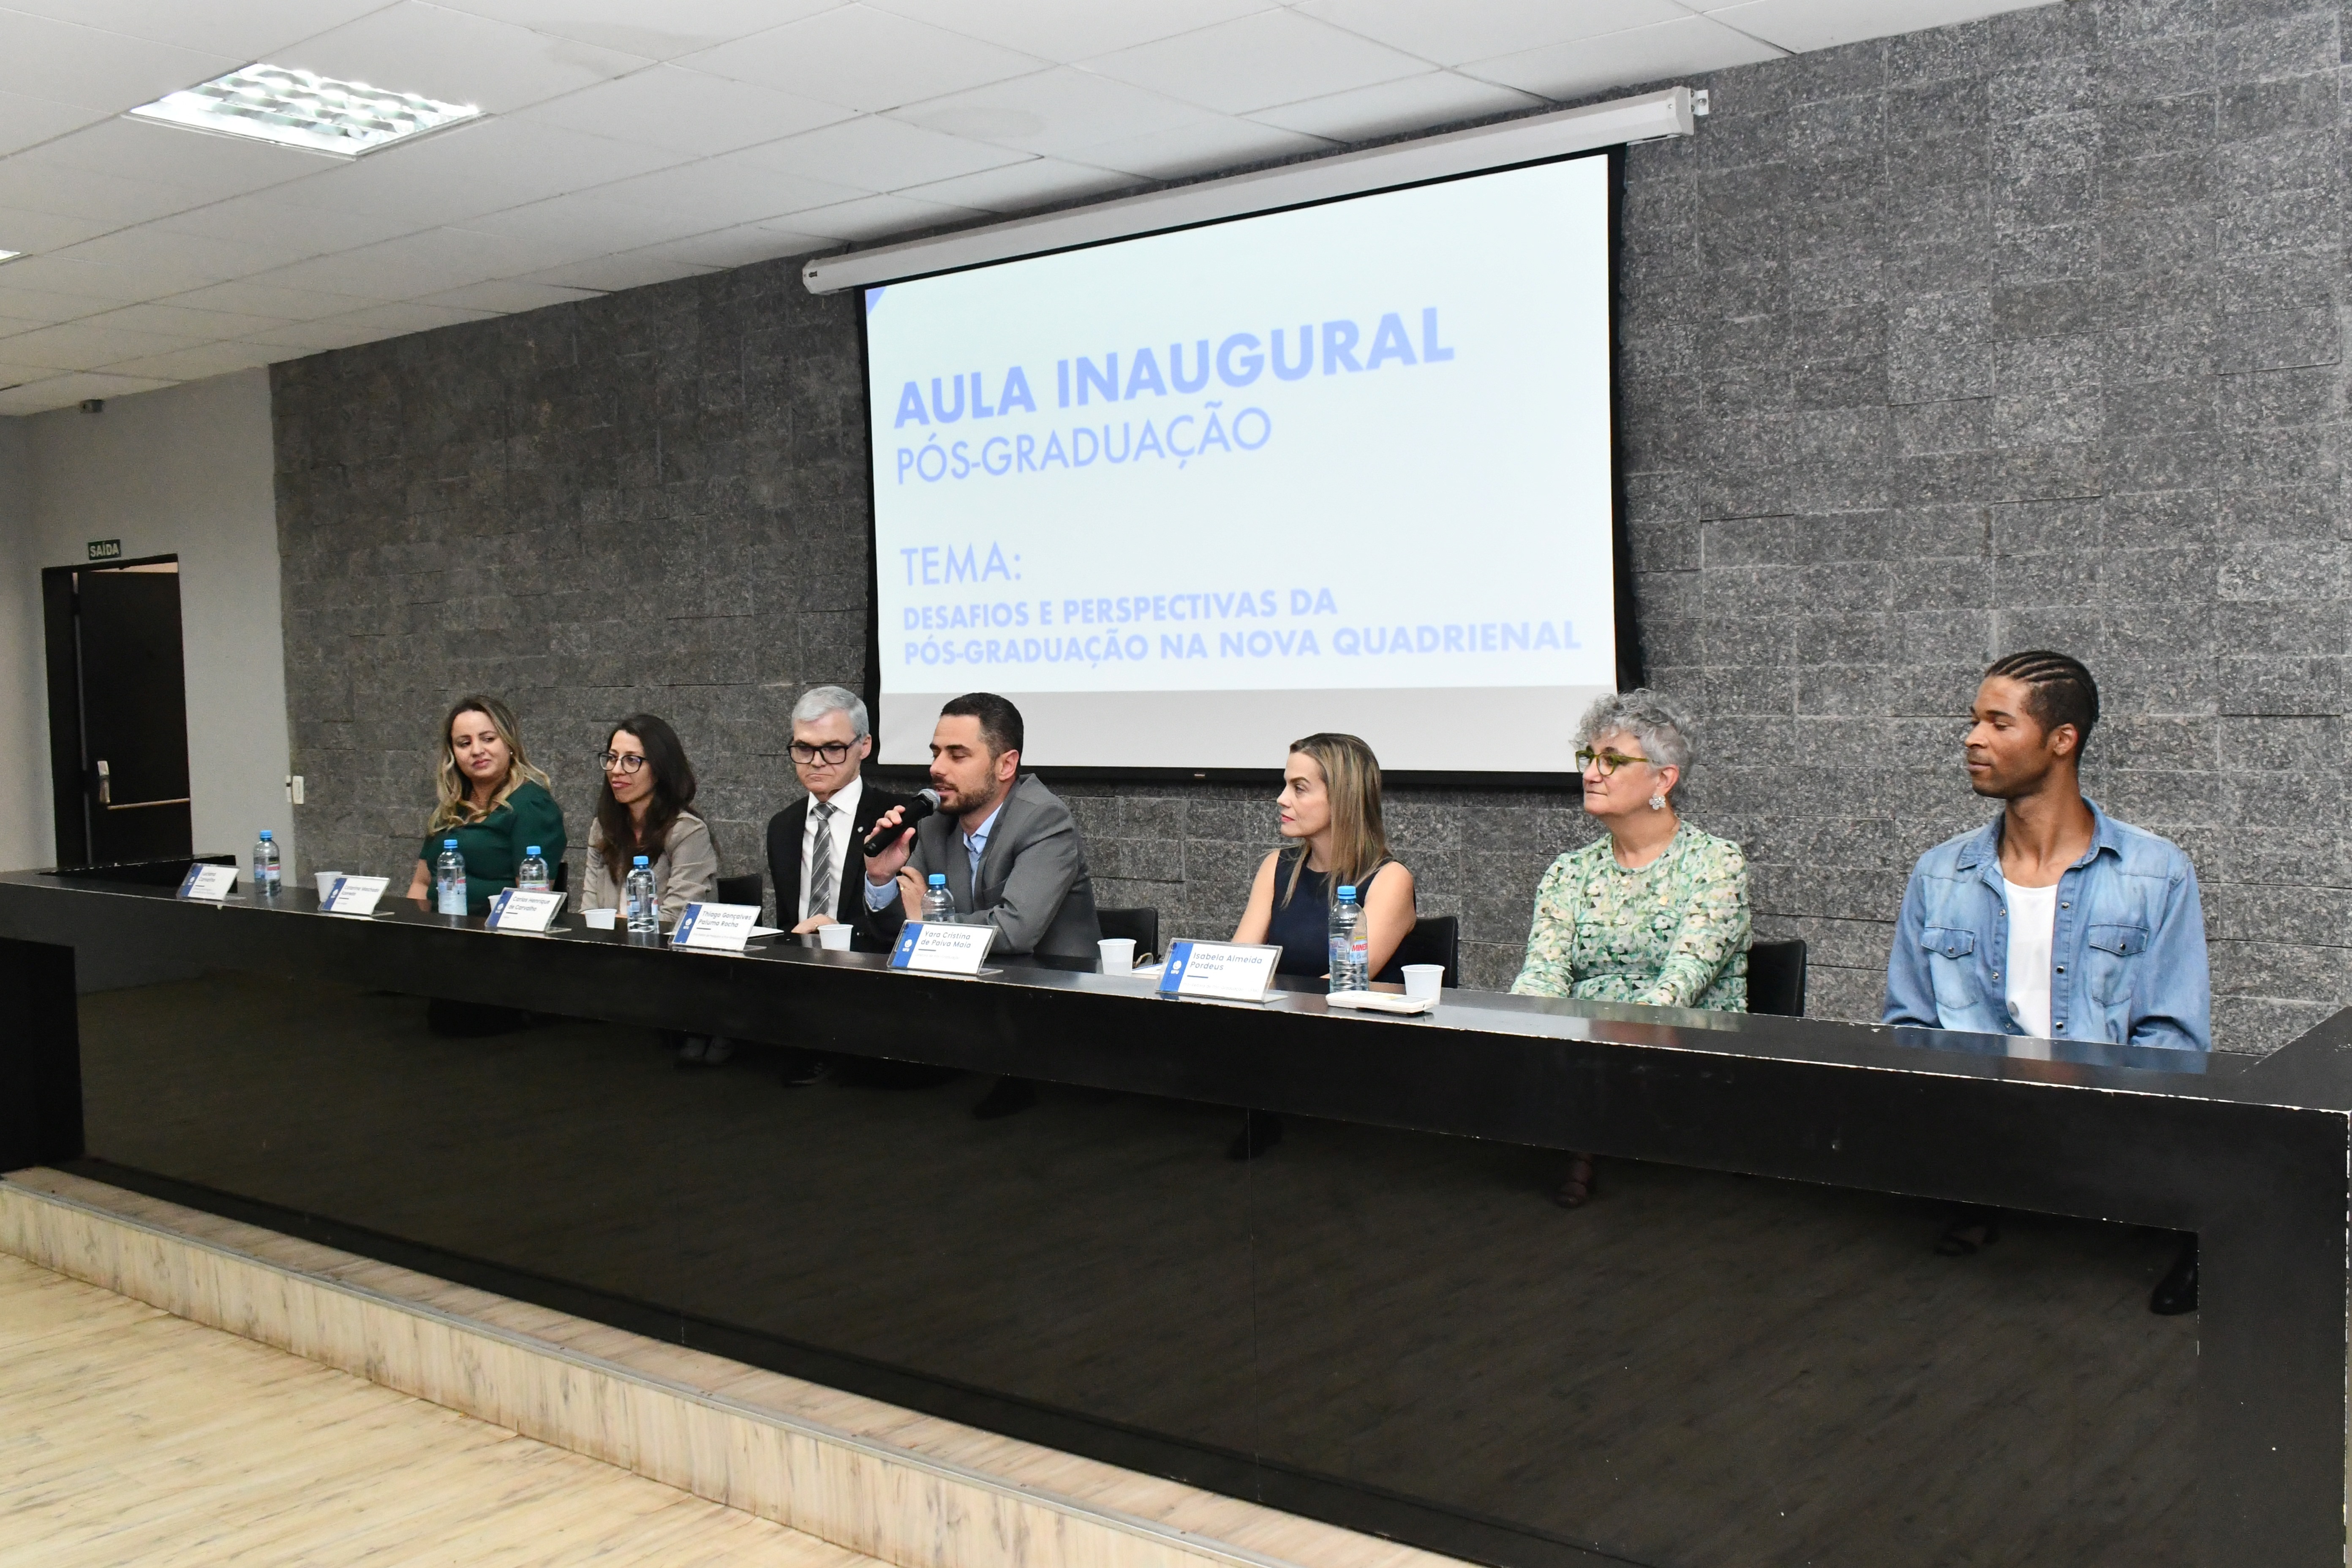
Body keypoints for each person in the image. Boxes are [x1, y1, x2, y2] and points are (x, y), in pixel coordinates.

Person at [1883, 650, 2210, 1313]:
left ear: (2063, 741)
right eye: (1973, 722)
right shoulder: (1940, 874)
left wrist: (2085, 1102)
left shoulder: (2153, 872)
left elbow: (2172, 1039)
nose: (1973, 739)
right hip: (1978, 1132)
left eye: (1999, 724)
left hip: (2104, 1136)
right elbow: (1908, 1026)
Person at [1511, 689, 1750, 1207]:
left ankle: (1584, 1151)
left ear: (1664, 780)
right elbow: (1544, 972)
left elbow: (1684, 978)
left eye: (1612, 760)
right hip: (1580, 1052)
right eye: (1590, 759)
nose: (1592, 773)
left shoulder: (1717, 863)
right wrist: (1517, 1024)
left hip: (1681, 1043)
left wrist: (1602, 1032)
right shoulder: (1569, 871)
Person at [862, 692, 1101, 1117]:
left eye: (958, 755)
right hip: (970, 1014)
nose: (936, 768)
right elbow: (900, 933)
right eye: (935, 753)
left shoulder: (1045, 819)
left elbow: (1016, 929)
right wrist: (881, 879)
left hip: (1050, 1024)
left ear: (1005, 765)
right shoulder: (935, 825)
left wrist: (927, 924)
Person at [1224, 732, 1417, 1160]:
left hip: (1350, 1057)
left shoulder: (1389, 879)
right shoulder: (1278, 866)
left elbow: (1342, 986)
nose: (1281, 799)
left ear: (1343, 798)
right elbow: (1239, 964)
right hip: (1280, 1050)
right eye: (1285, 784)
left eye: (1299, 787)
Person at [763, 685, 908, 1085]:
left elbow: (910, 920)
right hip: (798, 991)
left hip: (873, 983)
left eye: (833, 749)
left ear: (864, 746)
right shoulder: (784, 826)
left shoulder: (896, 818)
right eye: (804, 749)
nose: (816, 762)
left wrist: (842, 933)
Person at [405, 694, 566, 916]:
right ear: (453, 754)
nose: (477, 750)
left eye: (488, 739)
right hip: (437, 934)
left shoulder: (531, 805)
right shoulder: (451, 809)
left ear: (509, 743)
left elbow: (531, 904)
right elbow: (421, 885)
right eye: (465, 743)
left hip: (495, 940)